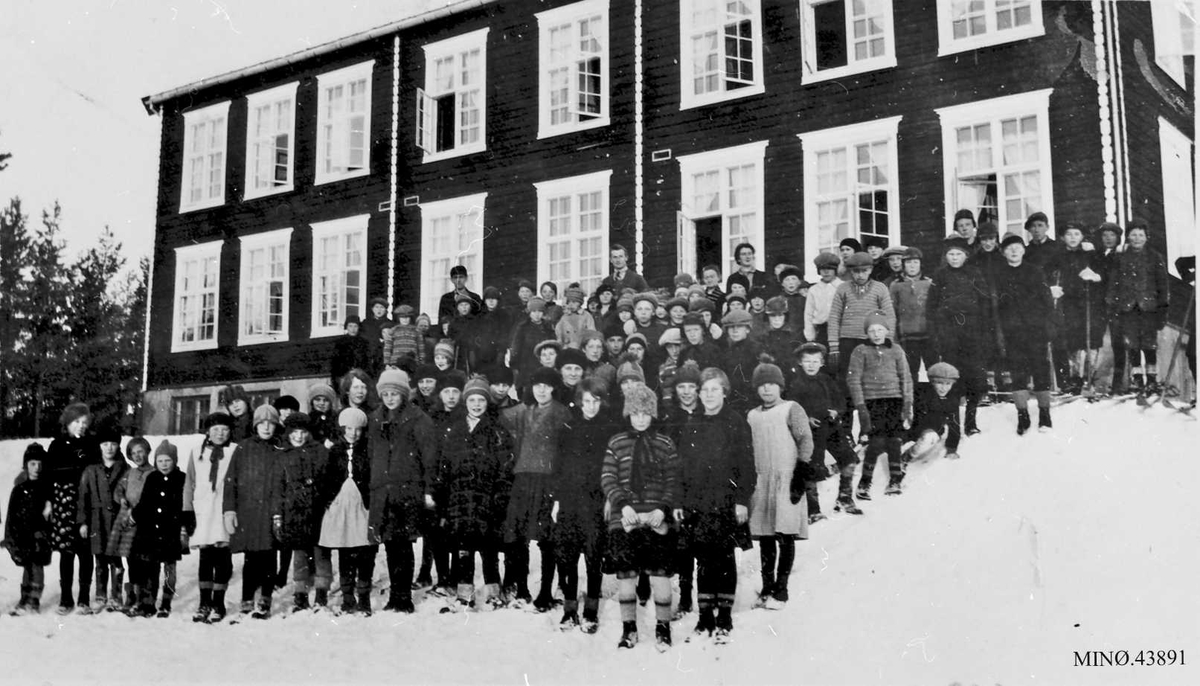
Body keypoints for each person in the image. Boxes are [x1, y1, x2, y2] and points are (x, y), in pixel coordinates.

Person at [673, 367, 753, 640]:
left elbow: (746, 464)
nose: (708, 395)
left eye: (714, 390)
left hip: (726, 501)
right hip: (697, 502)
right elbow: (682, 466)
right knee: (703, 559)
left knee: (725, 558)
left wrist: (742, 500)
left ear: (724, 392)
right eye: (704, 390)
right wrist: (681, 500)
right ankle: (705, 616)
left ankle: (725, 617)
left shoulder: (734, 421)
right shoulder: (692, 421)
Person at [601, 384, 680, 651]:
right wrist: (622, 506)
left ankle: (663, 628)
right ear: (628, 414)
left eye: (646, 413)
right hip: (625, 517)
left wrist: (663, 509)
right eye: (636, 413)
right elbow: (608, 478)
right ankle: (629, 629)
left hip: (656, 518)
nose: (641, 418)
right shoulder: (616, 442)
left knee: (660, 576)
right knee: (626, 576)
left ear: (653, 415)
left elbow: (673, 481)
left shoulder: (665, 443)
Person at [434, 377, 515, 613]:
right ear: (465, 401)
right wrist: (444, 500)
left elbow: (505, 468)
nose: (476, 404)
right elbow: (445, 468)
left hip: (486, 499)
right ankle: (464, 593)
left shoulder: (496, 430)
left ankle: (492, 592)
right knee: (462, 547)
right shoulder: (455, 430)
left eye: (481, 400)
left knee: (489, 548)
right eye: (472, 399)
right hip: (460, 500)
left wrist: (499, 498)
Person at [500, 366, 572, 610]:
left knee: (546, 538)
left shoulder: (562, 413)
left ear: (554, 388)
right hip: (523, 478)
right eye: (537, 385)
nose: (541, 390)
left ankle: (545, 593)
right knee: (517, 535)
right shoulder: (523, 411)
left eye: (547, 385)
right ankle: (522, 588)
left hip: (548, 479)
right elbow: (500, 416)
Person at [746, 359, 814, 610]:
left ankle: (781, 589)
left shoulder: (791, 408)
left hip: (787, 479)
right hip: (762, 481)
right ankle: (767, 586)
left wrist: (801, 472)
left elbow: (805, 439)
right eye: (762, 385)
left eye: (772, 384)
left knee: (785, 535)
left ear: (780, 386)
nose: (767, 389)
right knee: (765, 536)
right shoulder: (751, 415)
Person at [368, 369, 437, 613]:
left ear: (403, 395)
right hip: (382, 491)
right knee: (389, 544)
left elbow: (429, 458)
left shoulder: (418, 419)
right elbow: (371, 455)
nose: (389, 398)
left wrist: (428, 490)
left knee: (404, 545)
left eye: (394, 393)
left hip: (407, 491)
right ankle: (394, 598)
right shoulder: (375, 419)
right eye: (385, 393)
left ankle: (403, 597)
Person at [222, 404, 283, 619]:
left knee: (268, 557)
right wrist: (229, 510)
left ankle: (265, 600)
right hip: (248, 512)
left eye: (271, 424)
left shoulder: (280, 448)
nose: (266, 428)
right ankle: (247, 598)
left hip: (270, 511)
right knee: (250, 559)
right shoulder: (243, 448)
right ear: (255, 425)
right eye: (262, 423)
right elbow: (230, 481)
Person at [789, 342, 862, 516]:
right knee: (811, 469)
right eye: (807, 361)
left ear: (822, 362)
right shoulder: (796, 384)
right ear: (800, 362)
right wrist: (806, 418)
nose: (811, 365)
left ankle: (845, 498)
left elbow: (840, 401)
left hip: (831, 428)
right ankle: (814, 510)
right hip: (811, 434)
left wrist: (836, 411)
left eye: (815, 361)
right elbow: (791, 407)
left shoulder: (827, 380)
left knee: (849, 459)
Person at [995, 232, 1056, 434]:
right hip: (1012, 333)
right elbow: (995, 307)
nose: (1014, 250)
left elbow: (1047, 301)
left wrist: (1048, 325)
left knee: (1040, 369)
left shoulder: (1035, 271)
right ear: (1003, 252)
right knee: (1017, 372)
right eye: (1009, 248)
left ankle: (1044, 413)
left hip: (1036, 331)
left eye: (1017, 247)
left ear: (1023, 250)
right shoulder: (998, 275)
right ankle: (1022, 415)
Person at [848, 311, 914, 498]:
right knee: (876, 441)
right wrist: (861, 408)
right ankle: (864, 481)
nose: (876, 334)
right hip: (872, 402)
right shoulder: (860, 351)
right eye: (871, 330)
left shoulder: (896, 350)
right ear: (866, 333)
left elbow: (906, 377)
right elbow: (854, 380)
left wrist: (907, 403)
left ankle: (895, 479)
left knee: (894, 440)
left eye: (880, 329)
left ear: (886, 330)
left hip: (894, 400)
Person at [928, 237, 990, 435]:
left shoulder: (974, 273)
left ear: (966, 255)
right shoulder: (940, 275)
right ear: (946, 256)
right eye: (951, 254)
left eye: (958, 254)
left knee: (974, 378)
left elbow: (985, 302)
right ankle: (952, 422)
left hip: (971, 334)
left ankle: (971, 422)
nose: (954, 258)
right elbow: (932, 305)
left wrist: (981, 328)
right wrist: (937, 331)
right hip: (949, 334)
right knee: (951, 378)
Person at [273, 413, 332, 613]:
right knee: (300, 556)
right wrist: (278, 514)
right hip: (294, 514)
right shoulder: (282, 455)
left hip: (317, 512)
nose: (298, 437)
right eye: (294, 433)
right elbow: (278, 487)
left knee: (321, 554)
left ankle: (322, 595)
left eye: (303, 432)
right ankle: (300, 595)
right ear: (288, 434)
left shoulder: (320, 451)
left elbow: (327, 480)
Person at [319, 407, 376, 615]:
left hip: (362, 504)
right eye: (349, 428)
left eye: (358, 429)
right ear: (342, 429)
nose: (353, 433)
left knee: (365, 550)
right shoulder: (335, 451)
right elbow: (328, 477)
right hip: (341, 504)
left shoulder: (368, 450)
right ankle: (348, 597)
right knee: (345, 551)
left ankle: (364, 597)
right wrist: (328, 500)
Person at [45, 402, 99, 615]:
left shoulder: (92, 444)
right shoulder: (57, 445)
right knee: (66, 553)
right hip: (63, 502)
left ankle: (84, 598)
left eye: (84, 422)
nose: (81, 426)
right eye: (76, 422)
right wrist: (49, 501)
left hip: (86, 501)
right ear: (67, 423)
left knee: (86, 552)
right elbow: (48, 477)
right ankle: (66, 598)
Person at [183, 412, 238, 623]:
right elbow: (189, 482)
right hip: (203, 511)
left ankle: (219, 603)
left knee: (222, 556)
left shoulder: (235, 450)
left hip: (224, 509)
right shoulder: (197, 452)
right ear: (208, 431)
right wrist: (187, 509)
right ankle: (204, 602)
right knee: (205, 557)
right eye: (215, 429)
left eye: (224, 429)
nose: (220, 433)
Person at [1106, 219, 1170, 394]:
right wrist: (1113, 305)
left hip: (1149, 308)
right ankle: (1137, 380)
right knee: (1132, 345)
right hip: (1127, 308)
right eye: (1133, 235)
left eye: (1141, 235)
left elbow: (1162, 285)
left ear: (1146, 237)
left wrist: (1163, 309)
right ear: (1127, 237)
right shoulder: (1120, 258)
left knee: (1149, 345)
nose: (1137, 238)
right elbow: (1113, 283)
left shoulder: (1154, 257)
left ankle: (1151, 380)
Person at [1047, 223, 1106, 394]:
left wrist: (1095, 277)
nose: (1072, 237)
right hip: (1068, 304)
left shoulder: (1090, 254)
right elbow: (1047, 274)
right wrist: (1052, 288)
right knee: (1072, 341)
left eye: (1076, 233)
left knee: (1091, 340)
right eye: (1068, 234)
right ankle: (1074, 379)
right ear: (1063, 237)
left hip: (1089, 303)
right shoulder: (1058, 256)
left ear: (1082, 236)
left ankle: (1089, 378)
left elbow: (1103, 271)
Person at [77, 422, 129, 613]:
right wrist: (82, 522)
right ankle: (100, 596)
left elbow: (130, 492)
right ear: (99, 446)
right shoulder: (91, 469)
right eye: (105, 444)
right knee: (99, 559)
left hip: (116, 519)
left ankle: (116, 596)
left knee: (115, 559)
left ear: (118, 446)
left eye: (113, 444)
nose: (109, 448)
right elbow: (83, 497)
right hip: (96, 520)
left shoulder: (125, 468)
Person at [133, 440, 186, 618]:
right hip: (152, 531)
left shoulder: (182, 478)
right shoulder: (152, 478)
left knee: (170, 569)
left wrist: (185, 526)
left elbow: (186, 505)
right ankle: (148, 602)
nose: (164, 464)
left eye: (168, 460)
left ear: (175, 461)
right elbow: (144, 502)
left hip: (172, 531)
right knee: (151, 568)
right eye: (160, 461)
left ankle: (166, 601)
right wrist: (135, 515)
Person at [828, 252, 896, 380]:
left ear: (870, 270)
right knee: (848, 377)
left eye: (864, 271)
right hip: (847, 340)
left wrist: (887, 339)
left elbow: (889, 316)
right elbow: (834, 317)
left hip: (871, 339)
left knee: (871, 376)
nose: (860, 275)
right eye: (856, 271)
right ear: (851, 272)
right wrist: (834, 346)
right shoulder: (842, 289)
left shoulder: (880, 288)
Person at [3, 444, 53, 616]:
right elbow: (12, 514)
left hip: (40, 536)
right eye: (32, 464)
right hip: (23, 535)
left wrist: (45, 531)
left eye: (39, 464)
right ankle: (24, 597)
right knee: (27, 567)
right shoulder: (19, 489)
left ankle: (34, 600)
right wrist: (10, 535)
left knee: (36, 566)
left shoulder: (47, 488)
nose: (36, 468)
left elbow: (49, 513)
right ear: (26, 465)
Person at [108, 436, 154, 615]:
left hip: (144, 521)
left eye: (140, 451)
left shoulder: (153, 472)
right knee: (131, 560)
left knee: (145, 562)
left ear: (147, 452)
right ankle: (132, 596)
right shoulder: (129, 473)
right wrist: (121, 498)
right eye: (134, 453)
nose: (137, 456)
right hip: (126, 521)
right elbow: (119, 489)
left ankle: (145, 598)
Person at [890, 247, 934, 382]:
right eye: (908, 262)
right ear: (903, 265)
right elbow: (892, 311)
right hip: (907, 336)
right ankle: (912, 400)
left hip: (928, 334)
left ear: (921, 263)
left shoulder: (929, 283)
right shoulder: (896, 285)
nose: (912, 266)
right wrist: (895, 336)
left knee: (933, 369)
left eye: (915, 262)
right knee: (910, 370)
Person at [1095, 223, 1129, 393]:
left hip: (1117, 306)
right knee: (1098, 343)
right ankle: (1097, 383)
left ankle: (1118, 384)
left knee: (1118, 345)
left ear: (1118, 238)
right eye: (1105, 235)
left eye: (1112, 235)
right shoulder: (1098, 256)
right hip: (1099, 306)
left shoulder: (1122, 255)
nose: (1108, 239)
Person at [909, 362, 963, 461]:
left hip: (935, 432)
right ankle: (906, 455)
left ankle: (909, 455)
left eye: (948, 384)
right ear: (932, 382)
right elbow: (919, 419)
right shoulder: (923, 394)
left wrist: (952, 449)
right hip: (919, 429)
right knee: (929, 437)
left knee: (931, 437)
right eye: (939, 383)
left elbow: (955, 424)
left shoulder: (952, 398)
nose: (944, 388)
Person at [720, 309, 763, 412]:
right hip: (732, 403)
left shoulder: (757, 350)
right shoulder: (726, 351)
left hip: (753, 403)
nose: (735, 331)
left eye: (739, 327)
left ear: (747, 329)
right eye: (731, 327)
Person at [509, 296, 556, 390]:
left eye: (540, 311)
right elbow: (516, 347)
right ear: (529, 312)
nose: (537, 314)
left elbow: (553, 344)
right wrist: (514, 364)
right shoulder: (523, 327)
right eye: (534, 311)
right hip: (527, 365)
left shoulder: (548, 327)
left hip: (544, 364)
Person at [804, 252, 842, 347]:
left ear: (835, 270)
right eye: (822, 269)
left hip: (841, 330)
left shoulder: (843, 287)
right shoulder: (814, 290)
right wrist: (810, 336)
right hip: (822, 331)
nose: (826, 272)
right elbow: (808, 313)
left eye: (829, 269)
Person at [438, 265, 484, 335]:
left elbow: (480, 319)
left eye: (461, 277)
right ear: (451, 280)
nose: (458, 280)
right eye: (455, 277)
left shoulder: (475, 298)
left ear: (466, 278)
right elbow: (441, 320)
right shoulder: (446, 299)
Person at [331, 315, 371, 387]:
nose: (353, 329)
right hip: (343, 376)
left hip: (360, 376)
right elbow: (335, 364)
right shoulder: (340, 343)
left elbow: (367, 361)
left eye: (355, 326)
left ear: (359, 327)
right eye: (350, 326)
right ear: (346, 327)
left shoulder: (364, 343)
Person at [361, 297, 395, 375]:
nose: (379, 310)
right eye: (376, 307)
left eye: (382, 307)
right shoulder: (366, 323)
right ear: (372, 309)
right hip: (368, 356)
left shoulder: (390, 324)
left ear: (385, 310)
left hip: (383, 357)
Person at [1023, 211, 1062, 276]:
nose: (1036, 230)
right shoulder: (1026, 251)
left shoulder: (1057, 247)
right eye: (1033, 226)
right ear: (1029, 229)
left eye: (1040, 225)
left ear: (1047, 227)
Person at [556, 284, 596, 349]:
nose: (571, 305)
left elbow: (592, 332)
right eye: (569, 302)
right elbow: (559, 332)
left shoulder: (586, 316)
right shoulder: (565, 317)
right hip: (567, 348)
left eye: (574, 302)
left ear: (580, 303)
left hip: (582, 347)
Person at [307, 383, 341, 448]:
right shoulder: (308, 419)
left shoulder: (337, 418)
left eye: (326, 400)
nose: (322, 403)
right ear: (312, 402)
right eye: (318, 399)